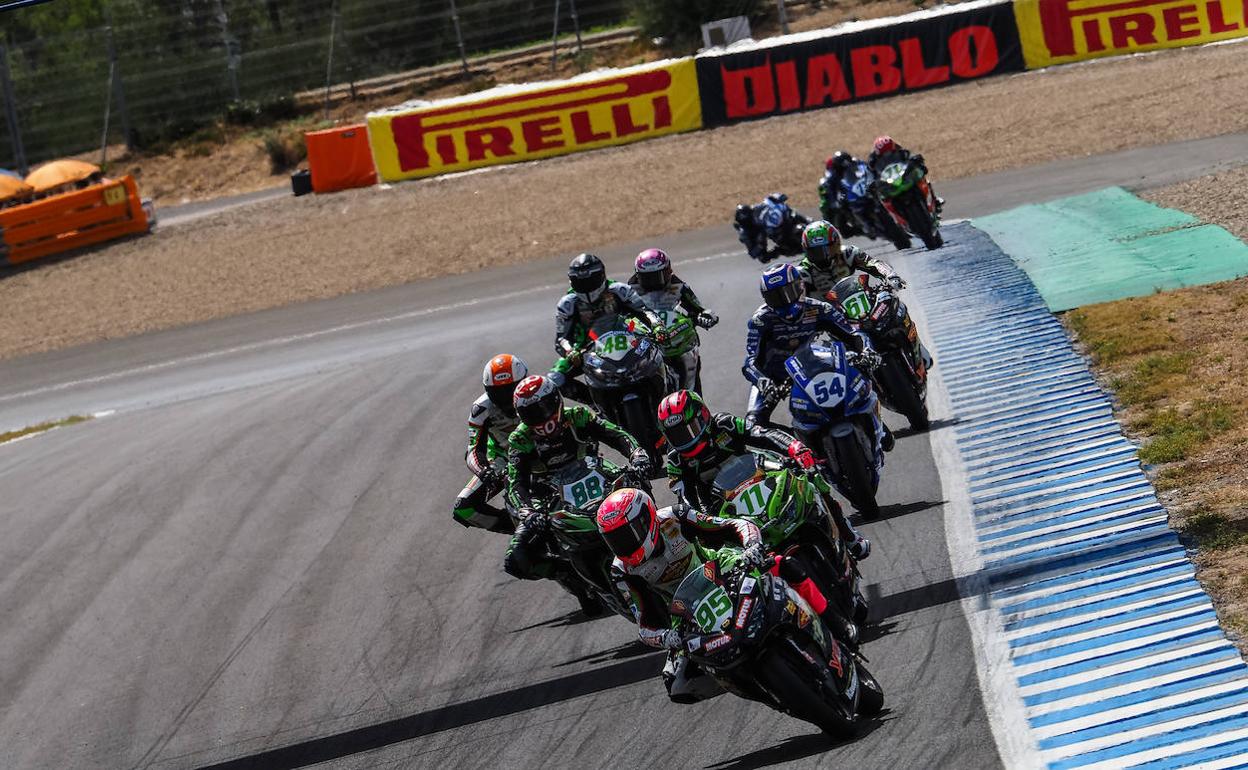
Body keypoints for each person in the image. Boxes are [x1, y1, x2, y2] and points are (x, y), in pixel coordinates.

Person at [596, 487, 856, 702]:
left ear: (646, 519)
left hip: (720, 568)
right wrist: (667, 637)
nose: (621, 546)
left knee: (783, 564)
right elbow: (644, 624)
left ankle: (836, 621)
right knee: (677, 684)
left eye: (625, 535)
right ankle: (765, 692)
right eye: (613, 540)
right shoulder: (621, 571)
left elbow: (731, 525)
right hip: (684, 608)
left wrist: (751, 544)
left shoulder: (675, 516)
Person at [656, 389, 870, 561]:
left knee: (809, 479)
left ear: (703, 416)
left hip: (756, 473)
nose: (687, 438)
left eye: (691, 429)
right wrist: (704, 520)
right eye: (678, 435)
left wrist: (795, 447)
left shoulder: (724, 423)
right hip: (718, 502)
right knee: (710, 547)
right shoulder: (675, 460)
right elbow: (685, 499)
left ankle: (849, 536)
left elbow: (763, 434)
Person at [503, 375, 650, 592]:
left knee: (637, 482)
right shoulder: (520, 440)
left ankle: (656, 537)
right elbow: (516, 483)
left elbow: (616, 434)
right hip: (548, 495)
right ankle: (568, 574)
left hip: (595, 472)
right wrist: (528, 511)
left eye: (545, 407)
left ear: (557, 400)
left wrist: (636, 454)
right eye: (532, 413)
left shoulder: (578, 416)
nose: (543, 418)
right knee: (516, 559)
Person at [742, 263, 888, 446]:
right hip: (775, 377)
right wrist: (763, 381)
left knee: (857, 371)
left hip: (812, 366)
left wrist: (866, 351)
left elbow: (853, 334)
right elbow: (750, 362)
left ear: (800, 286)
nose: (784, 301)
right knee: (752, 425)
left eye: (788, 292)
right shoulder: (760, 321)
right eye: (775, 297)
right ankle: (795, 447)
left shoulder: (819, 309)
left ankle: (874, 421)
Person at [552, 253, 666, 403]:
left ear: (601, 276)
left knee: (663, 348)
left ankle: (666, 392)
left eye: (590, 281)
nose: (586, 287)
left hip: (627, 338)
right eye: (581, 282)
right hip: (586, 350)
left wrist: (657, 326)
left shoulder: (619, 290)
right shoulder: (567, 304)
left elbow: (645, 311)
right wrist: (570, 351)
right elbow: (561, 339)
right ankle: (596, 406)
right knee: (555, 379)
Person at [451, 354, 529, 533]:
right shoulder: (480, 409)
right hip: (504, 459)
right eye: (498, 392)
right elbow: (473, 450)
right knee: (464, 507)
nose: (506, 398)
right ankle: (520, 531)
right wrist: (483, 471)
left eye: (510, 389)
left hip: (541, 450)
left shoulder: (536, 391)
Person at [627, 248, 719, 391]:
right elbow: (622, 314)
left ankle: (695, 403)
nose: (652, 282)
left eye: (657, 276)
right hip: (646, 341)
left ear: (668, 271)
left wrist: (705, 316)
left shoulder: (679, 286)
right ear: (638, 276)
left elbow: (698, 308)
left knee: (692, 374)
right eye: (647, 277)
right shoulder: (630, 289)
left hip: (678, 340)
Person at [798, 219, 903, 301]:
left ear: (836, 243)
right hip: (828, 316)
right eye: (814, 251)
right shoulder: (803, 271)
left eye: (824, 249)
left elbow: (874, 263)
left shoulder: (848, 253)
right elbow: (796, 299)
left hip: (858, 301)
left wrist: (891, 276)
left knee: (889, 300)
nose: (819, 255)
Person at [867, 135, 943, 212]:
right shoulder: (873, 160)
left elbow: (910, 155)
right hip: (888, 182)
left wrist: (916, 159)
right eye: (884, 154)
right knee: (880, 200)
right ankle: (891, 218)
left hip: (903, 175)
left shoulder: (900, 150)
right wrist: (871, 183)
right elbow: (870, 173)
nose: (888, 155)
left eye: (890, 152)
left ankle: (935, 201)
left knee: (923, 178)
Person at [733, 193, 806, 263]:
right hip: (774, 235)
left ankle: (808, 222)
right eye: (747, 222)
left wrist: (776, 198)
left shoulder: (759, 208)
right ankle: (784, 250)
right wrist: (760, 244)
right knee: (764, 257)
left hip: (782, 222)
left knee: (793, 214)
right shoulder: (745, 233)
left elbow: (779, 197)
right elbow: (753, 253)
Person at [817, 151, 860, 237]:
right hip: (840, 198)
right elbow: (830, 191)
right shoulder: (829, 179)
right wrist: (835, 202)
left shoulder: (854, 165)